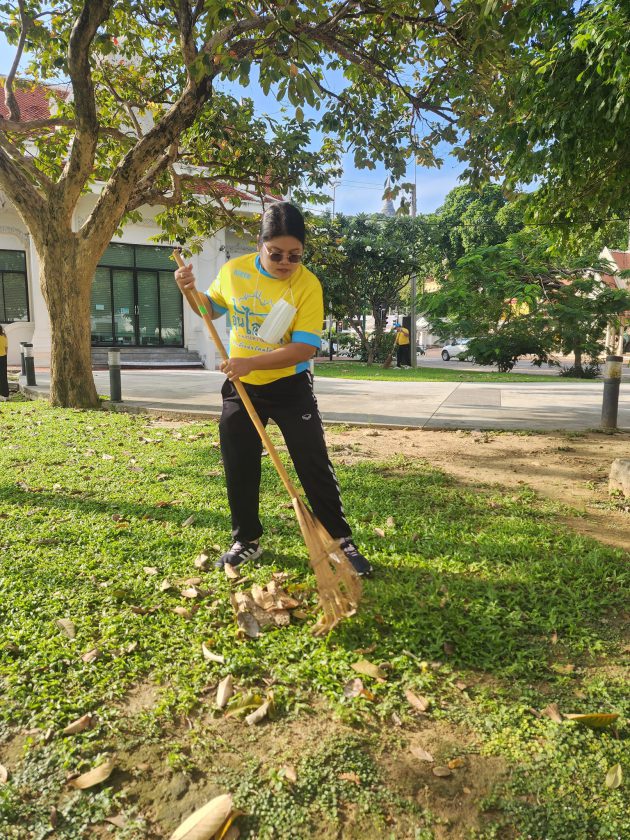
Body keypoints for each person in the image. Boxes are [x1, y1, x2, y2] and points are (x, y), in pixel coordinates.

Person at [174, 202, 373, 576]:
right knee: (239, 463)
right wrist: (189, 290)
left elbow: (304, 348)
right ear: (259, 245)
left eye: (294, 255)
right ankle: (246, 540)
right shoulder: (234, 272)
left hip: (290, 386)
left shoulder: (307, 285)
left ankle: (340, 541)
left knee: (312, 462)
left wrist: (250, 362)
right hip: (241, 386)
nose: (285, 262)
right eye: (276, 253)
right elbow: (209, 310)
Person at [0, 325, 9, 401]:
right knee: (3, 376)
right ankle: (5, 394)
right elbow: (6, 348)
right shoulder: (4, 337)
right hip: (3, 357)